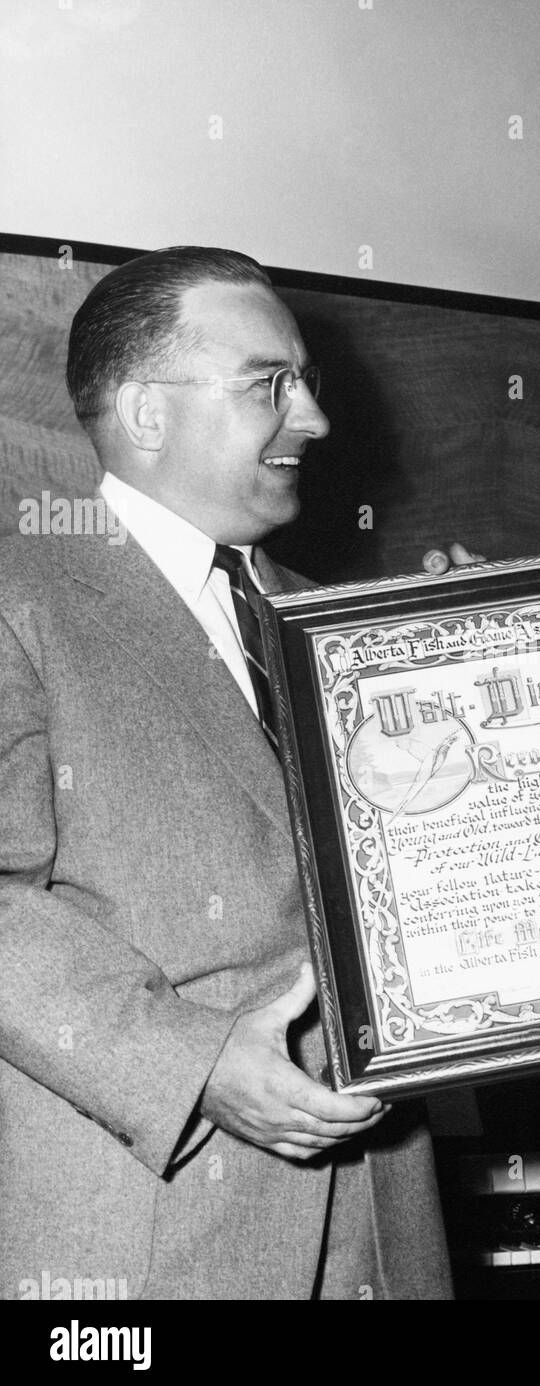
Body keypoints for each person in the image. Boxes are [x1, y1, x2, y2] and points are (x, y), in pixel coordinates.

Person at [0, 246, 452, 1300]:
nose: (316, 420)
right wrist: (193, 1066)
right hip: (146, 1244)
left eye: (309, 383)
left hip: (384, 1220)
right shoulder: (20, 597)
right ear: (145, 411)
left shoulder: (341, 626)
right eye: (269, 385)